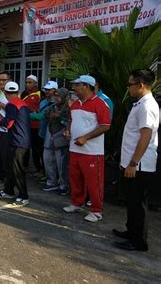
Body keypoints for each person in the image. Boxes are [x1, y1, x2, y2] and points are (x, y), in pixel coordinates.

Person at [114, 69, 159, 252]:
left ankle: (138, 241)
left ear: (140, 85)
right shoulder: (140, 103)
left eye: (130, 84)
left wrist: (133, 163)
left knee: (138, 203)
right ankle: (131, 231)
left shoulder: (148, 106)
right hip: (131, 161)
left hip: (139, 164)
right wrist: (125, 161)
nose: (128, 88)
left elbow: (145, 137)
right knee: (131, 201)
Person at [62, 75, 111, 222]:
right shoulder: (76, 104)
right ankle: (77, 203)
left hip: (92, 151)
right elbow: (71, 120)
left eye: (77, 85)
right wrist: (67, 131)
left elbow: (105, 126)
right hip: (75, 149)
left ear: (87, 86)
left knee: (93, 182)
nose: (74, 88)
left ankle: (96, 210)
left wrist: (86, 138)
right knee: (75, 178)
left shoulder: (100, 104)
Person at [0, 81, 32, 206]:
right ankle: (8, 190)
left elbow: (7, 123)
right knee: (9, 167)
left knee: (17, 169)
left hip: (18, 141)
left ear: (5, 93)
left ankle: (23, 196)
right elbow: (12, 120)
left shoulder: (11, 105)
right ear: (18, 92)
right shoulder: (22, 103)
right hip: (19, 140)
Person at [41, 88, 70, 195]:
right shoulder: (52, 107)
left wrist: (60, 117)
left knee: (61, 162)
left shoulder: (69, 108)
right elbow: (42, 115)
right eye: (55, 95)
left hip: (61, 136)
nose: (56, 97)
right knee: (47, 158)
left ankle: (63, 185)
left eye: (58, 96)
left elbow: (70, 121)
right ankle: (51, 182)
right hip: (50, 133)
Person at [31, 81, 58, 183]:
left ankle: (53, 177)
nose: (47, 92)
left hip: (52, 133)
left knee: (52, 157)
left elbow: (41, 116)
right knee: (43, 154)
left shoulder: (56, 102)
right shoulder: (42, 102)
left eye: (49, 90)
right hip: (41, 132)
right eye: (46, 89)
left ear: (55, 90)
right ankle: (45, 174)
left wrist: (27, 114)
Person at [22, 75, 44, 178]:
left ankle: (38, 169)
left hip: (36, 126)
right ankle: (24, 166)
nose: (27, 84)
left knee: (36, 149)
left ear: (35, 84)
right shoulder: (24, 94)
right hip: (25, 125)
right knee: (25, 147)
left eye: (30, 82)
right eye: (26, 82)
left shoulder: (40, 94)